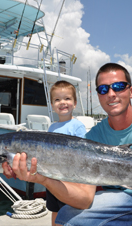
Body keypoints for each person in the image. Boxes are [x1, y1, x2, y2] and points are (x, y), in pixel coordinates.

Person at [2, 62, 132, 226]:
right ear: (99, 95)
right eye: (103, 89)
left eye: (119, 86)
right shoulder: (92, 138)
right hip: (125, 201)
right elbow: (85, 199)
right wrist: (43, 179)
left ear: (131, 91)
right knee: (67, 219)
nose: (111, 94)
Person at [46, 80, 87, 225]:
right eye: (57, 99)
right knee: (54, 209)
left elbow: (82, 153)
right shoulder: (52, 127)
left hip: (69, 179)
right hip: (52, 176)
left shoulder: (77, 126)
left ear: (75, 103)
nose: (62, 102)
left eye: (67, 98)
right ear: (52, 105)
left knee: (68, 211)